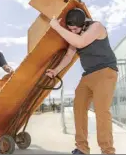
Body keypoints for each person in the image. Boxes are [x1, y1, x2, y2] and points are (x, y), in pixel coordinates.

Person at [46, 8, 118, 154]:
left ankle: (107, 151)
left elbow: (80, 42)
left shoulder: (96, 27)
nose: (72, 32)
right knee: (78, 108)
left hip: (105, 71)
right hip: (88, 75)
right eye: (70, 29)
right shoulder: (76, 34)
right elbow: (68, 56)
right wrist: (55, 71)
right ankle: (82, 148)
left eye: (74, 29)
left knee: (101, 111)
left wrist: (56, 27)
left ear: (83, 23)